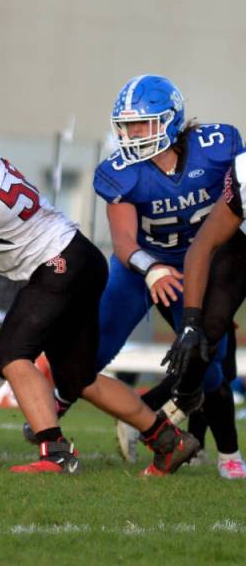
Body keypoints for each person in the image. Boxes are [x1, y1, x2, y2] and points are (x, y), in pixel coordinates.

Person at [0, 110, 197, 474]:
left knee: (10, 355)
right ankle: (169, 440)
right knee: (79, 379)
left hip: (57, 264)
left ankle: (56, 453)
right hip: (80, 256)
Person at [88, 75, 243, 478]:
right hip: (150, 265)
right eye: (127, 125)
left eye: (143, 123)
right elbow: (123, 241)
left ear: (171, 120)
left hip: (207, 261)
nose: (133, 133)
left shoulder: (219, 148)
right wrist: (151, 268)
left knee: (211, 362)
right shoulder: (120, 171)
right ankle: (49, 422)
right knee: (92, 351)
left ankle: (219, 451)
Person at [165, 143, 246, 477]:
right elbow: (204, 244)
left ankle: (164, 410)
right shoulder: (243, 169)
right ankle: (178, 404)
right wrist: (190, 320)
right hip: (242, 247)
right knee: (205, 332)